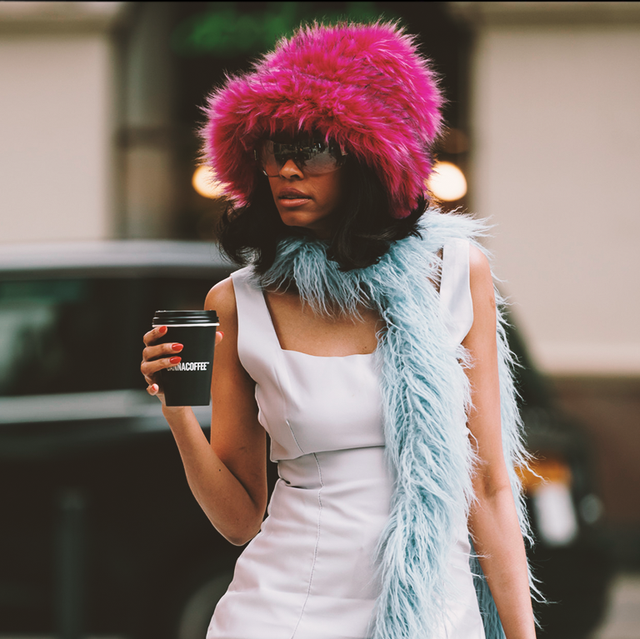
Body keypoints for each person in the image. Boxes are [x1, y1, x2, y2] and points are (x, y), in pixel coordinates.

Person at [141, 21, 538, 639]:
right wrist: (178, 415)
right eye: (274, 150)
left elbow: (487, 484)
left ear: (370, 160)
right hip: (284, 612)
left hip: (433, 611)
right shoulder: (236, 304)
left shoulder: (457, 273)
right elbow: (241, 519)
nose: (289, 170)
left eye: (313, 148)